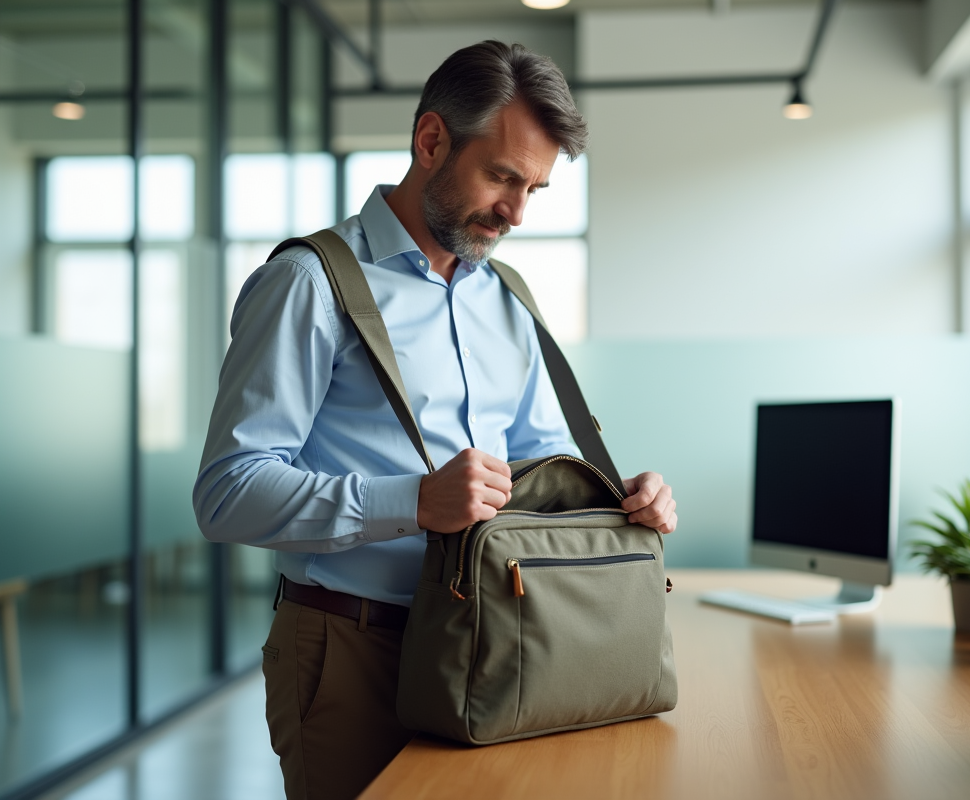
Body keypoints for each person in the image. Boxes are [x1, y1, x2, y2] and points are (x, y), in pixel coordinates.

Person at [193, 40, 677, 800]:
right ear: (431, 141)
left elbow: (542, 467)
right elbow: (226, 493)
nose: (516, 213)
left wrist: (622, 502)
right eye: (502, 177)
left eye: (536, 190)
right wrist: (412, 501)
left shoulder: (506, 294)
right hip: (351, 646)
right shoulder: (306, 284)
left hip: (499, 639)